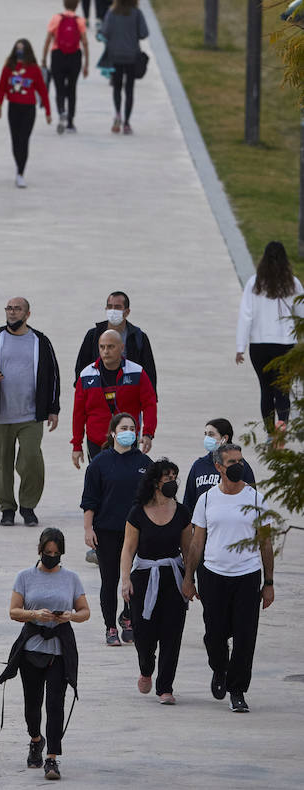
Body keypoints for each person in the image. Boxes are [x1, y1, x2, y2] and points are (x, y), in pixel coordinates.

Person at [183, 443, 274, 713]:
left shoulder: (256, 499)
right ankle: (219, 668)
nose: (239, 466)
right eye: (232, 462)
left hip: (247, 576)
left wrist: (268, 583)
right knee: (215, 634)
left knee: (245, 637)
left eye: (241, 460)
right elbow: (197, 543)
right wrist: (189, 577)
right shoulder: (207, 499)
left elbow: (266, 544)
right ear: (219, 467)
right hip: (213, 575)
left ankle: (237, 689)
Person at [0, 528, 88, 781]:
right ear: (40, 551)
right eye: (48, 552)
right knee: (33, 704)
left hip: (59, 650)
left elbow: (85, 611)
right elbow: (14, 611)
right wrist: (35, 615)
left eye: (56, 553)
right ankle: (36, 739)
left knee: (55, 704)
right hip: (31, 649)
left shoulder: (71, 578)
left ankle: (52, 758)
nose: (52, 557)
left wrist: (71, 616)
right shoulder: (24, 577)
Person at [0, 299, 61, 527]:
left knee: (31, 458)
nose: (12, 313)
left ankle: (28, 506)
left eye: (17, 309)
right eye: (9, 309)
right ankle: (7, 509)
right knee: (1, 464)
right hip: (0, 414)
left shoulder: (39, 341)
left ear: (28, 314)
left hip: (30, 415)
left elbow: (52, 376)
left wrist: (53, 409)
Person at [121, 458, 192, 701]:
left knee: (172, 634)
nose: (172, 482)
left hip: (173, 577)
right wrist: (125, 580)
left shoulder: (182, 512)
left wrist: (189, 579)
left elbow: (188, 549)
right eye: (167, 478)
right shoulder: (138, 513)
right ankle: (146, 669)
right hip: (143, 577)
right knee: (143, 634)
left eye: (174, 477)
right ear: (155, 482)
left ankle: (165, 688)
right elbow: (128, 550)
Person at [81, 412, 148, 648]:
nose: (129, 432)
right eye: (123, 428)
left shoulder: (144, 464)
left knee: (135, 580)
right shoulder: (100, 462)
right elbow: (89, 500)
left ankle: (128, 617)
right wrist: (89, 529)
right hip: (107, 531)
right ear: (113, 432)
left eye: (132, 428)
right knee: (109, 580)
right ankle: (110, 626)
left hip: (137, 532)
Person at [236, 240, 301, 432]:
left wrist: (241, 347)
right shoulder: (293, 284)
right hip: (285, 345)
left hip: (259, 345)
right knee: (282, 389)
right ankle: (282, 429)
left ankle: (271, 434)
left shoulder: (254, 284)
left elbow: (245, 315)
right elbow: (302, 313)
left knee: (266, 389)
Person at [72, 327, 157, 466]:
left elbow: (149, 404)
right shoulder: (86, 375)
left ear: (121, 347)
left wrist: (148, 434)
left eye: (111, 347)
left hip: (127, 439)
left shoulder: (137, 372)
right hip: (97, 441)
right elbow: (78, 413)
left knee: (128, 482)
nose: (106, 351)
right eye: (102, 347)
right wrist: (77, 445)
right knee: (100, 484)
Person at [74, 292, 158, 390]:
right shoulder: (93, 335)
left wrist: (151, 398)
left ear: (127, 312)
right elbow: (81, 366)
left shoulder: (138, 337)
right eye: (110, 307)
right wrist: (81, 391)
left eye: (117, 307)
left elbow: (149, 371)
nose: (113, 310)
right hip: (99, 393)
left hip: (129, 393)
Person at [0, 38, 51, 189]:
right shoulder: (9, 67)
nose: (19, 51)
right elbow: (1, 87)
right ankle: (18, 164)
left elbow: (42, 89)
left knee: (24, 139)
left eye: (22, 48)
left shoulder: (34, 69)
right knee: (15, 141)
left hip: (29, 108)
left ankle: (21, 172)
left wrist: (48, 111)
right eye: (17, 48)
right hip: (13, 107)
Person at [102, 0, 149, 134]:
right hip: (131, 56)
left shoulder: (112, 12)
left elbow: (105, 32)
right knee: (129, 89)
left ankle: (117, 114)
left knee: (116, 87)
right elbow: (144, 33)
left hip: (115, 56)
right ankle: (127, 123)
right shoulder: (136, 13)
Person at [41, 0, 89, 133]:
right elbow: (85, 42)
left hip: (58, 55)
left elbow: (48, 40)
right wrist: (86, 63)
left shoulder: (56, 18)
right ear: (77, 5)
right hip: (75, 56)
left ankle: (61, 110)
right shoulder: (80, 21)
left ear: (64, 3)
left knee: (59, 88)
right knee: (72, 88)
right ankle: (70, 122)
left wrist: (43, 59)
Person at [183, 418, 255, 511]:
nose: (207, 438)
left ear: (224, 438)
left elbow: (252, 500)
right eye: (205, 434)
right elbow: (189, 500)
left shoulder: (240, 465)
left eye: (211, 434)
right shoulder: (199, 465)